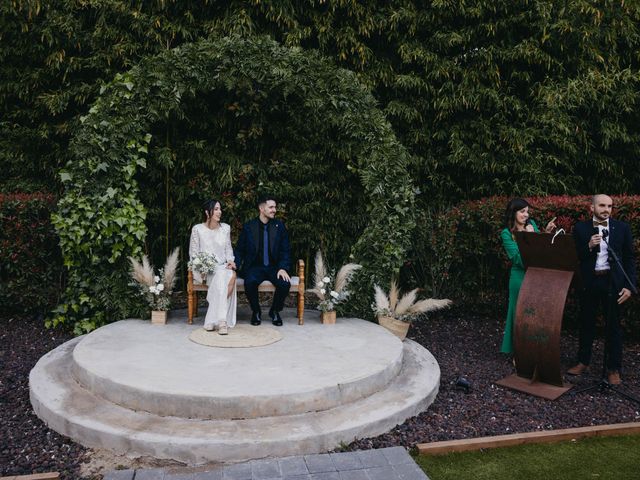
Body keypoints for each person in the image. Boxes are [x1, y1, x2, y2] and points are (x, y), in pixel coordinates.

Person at [567, 194, 636, 385]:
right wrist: (588, 246)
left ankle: (613, 369)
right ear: (592, 208)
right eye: (602, 205)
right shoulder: (580, 228)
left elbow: (629, 258)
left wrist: (629, 286)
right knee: (586, 322)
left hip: (612, 283)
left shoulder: (622, 228)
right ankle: (583, 361)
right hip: (590, 282)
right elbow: (574, 257)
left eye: (610, 206)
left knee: (613, 326)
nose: (606, 209)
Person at [500, 198, 556, 354]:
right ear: (513, 213)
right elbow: (518, 259)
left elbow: (540, 250)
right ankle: (517, 351)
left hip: (536, 276)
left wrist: (545, 233)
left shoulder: (532, 226)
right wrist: (529, 237)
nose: (526, 215)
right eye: (522, 211)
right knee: (518, 314)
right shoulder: (506, 233)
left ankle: (532, 349)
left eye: (527, 211)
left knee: (534, 313)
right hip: (519, 277)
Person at [234, 195, 291, 327]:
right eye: (271, 207)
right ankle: (256, 311)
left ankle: (275, 311)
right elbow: (239, 250)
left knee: (284, 283)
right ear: (261, 208)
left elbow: (285, 250)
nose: (274, 210)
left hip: (274, 267)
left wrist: (283, 267)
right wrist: (235, 264)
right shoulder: (249, 227)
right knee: (250, 282)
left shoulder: (279, 226)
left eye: (275, 207)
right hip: (255, 266)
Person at [189, 199, 237, 334]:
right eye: (216, 209)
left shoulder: (225, 228)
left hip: (222, 267)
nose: (219, 212)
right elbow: (194, 254)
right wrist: (202, 268)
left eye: (220, 209)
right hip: (205, 271)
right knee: (223, 276)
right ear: (207, 212)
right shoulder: (197, 229)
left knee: (228, 274)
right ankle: (221, 321)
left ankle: (215, 320)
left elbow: (228, 250)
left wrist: (231, 261)